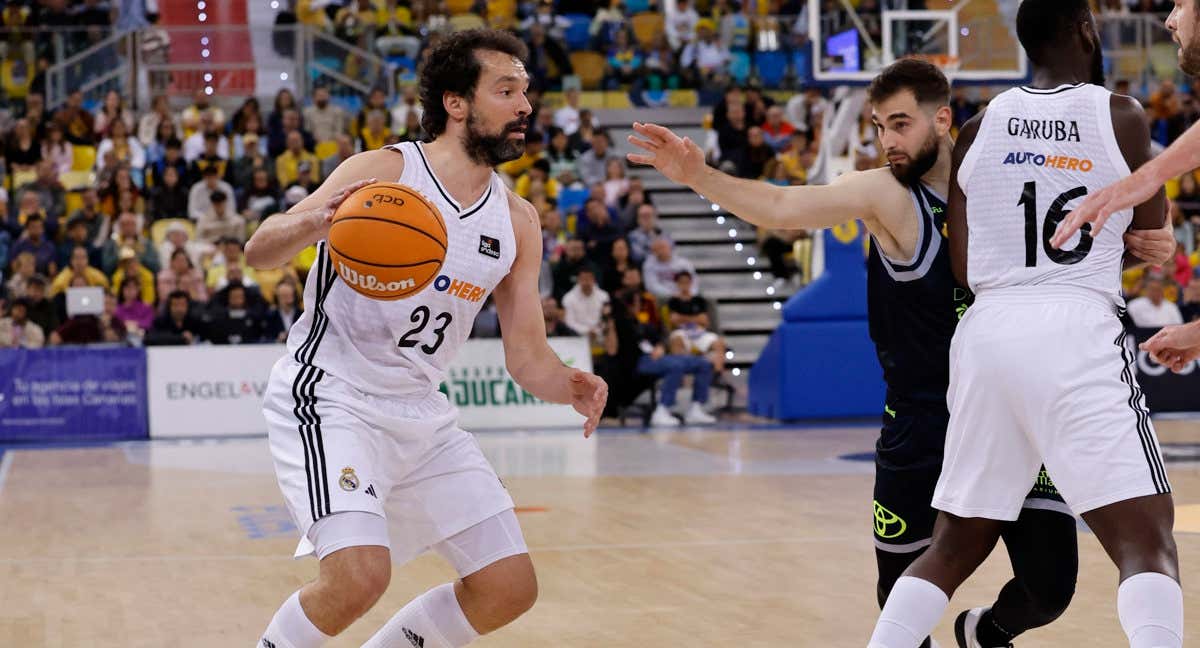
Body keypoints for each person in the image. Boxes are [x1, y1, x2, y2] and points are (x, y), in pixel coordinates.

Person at [627, 54, 1175, 648]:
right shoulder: (887, 193)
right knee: (903, 591)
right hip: (922, 422)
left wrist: (1151, 232)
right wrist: (699, 177)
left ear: (942, 121)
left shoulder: (1002, 174)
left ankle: (984, 633)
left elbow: (1094, 214)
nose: (886, 140)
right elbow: (785, 208)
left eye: (899, 124)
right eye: (879, 126)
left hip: (1010, 410)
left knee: (1049, 588)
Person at [244, 29, 607, 648]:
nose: (525, 106)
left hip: (423, 415)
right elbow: (260, 251)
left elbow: (525, 354)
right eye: (506, 90)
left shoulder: (517, 220)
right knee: (358, 577)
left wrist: (567, 382)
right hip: (332, 394)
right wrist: (317, 222)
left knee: (508, 586)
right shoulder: (385, 171)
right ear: (455, 102)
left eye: (527, 92)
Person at [862, 1, 1181, 645]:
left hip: (987, 333)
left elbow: (961, 264)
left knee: (952, 546)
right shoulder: (1120, 116)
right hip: (1075, 322)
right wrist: (1135, 236)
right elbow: (1152, 236)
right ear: (1088, 31)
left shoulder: (980, 127)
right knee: (1145, 540)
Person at [667, 270, 727, 373]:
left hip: (700, 332)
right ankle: (681, 374)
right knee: (676, 340)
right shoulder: (673, 301)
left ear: (691, 283)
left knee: (719, 343)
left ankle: (717, 375)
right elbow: (673, 320)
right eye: (682, 282)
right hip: (682, 333)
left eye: (687, 282)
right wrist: (695, 318)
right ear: (677, 284)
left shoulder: (699, 300)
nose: (685, 285)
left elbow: (704, 320)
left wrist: (682, 318)